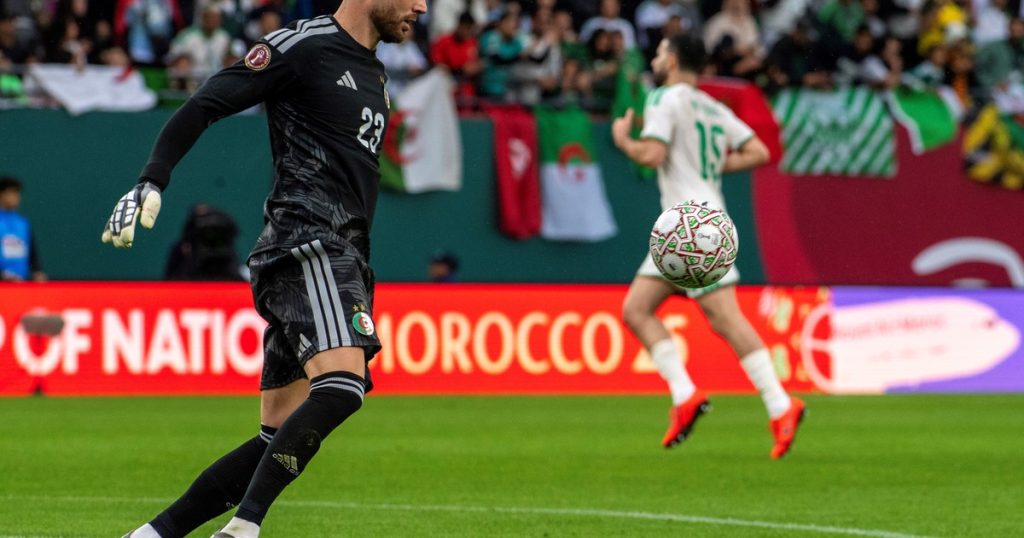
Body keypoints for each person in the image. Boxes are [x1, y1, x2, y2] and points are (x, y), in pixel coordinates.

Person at [103, 0, 428, 536]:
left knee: (272, 436)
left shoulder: (375, 69)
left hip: (337, 252)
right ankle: (244, 528)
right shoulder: (302, 47)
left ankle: (153, 534)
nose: (421, 6)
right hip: (310, 242)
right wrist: (151, 179)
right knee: (345, 384)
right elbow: (207, 101)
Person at [610, 34, 805, 459]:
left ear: (674, 60)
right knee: (637, 309)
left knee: (725, 318)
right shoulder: (713, 107)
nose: (657, 59)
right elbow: (758, 151)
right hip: (700, 220)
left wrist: (624, 140)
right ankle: (685, 395)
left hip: (688, 226)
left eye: (661, 53)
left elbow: (653, 154)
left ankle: (779, 403)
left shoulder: (664, 98)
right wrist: (712, 165)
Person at [0, 176, 46, 282]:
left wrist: (37, 271)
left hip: (21, 285)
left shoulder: (23, 223)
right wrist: (3, 276)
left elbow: (32, 253)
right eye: (11, 193)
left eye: (17, 193)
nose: (15, 197)